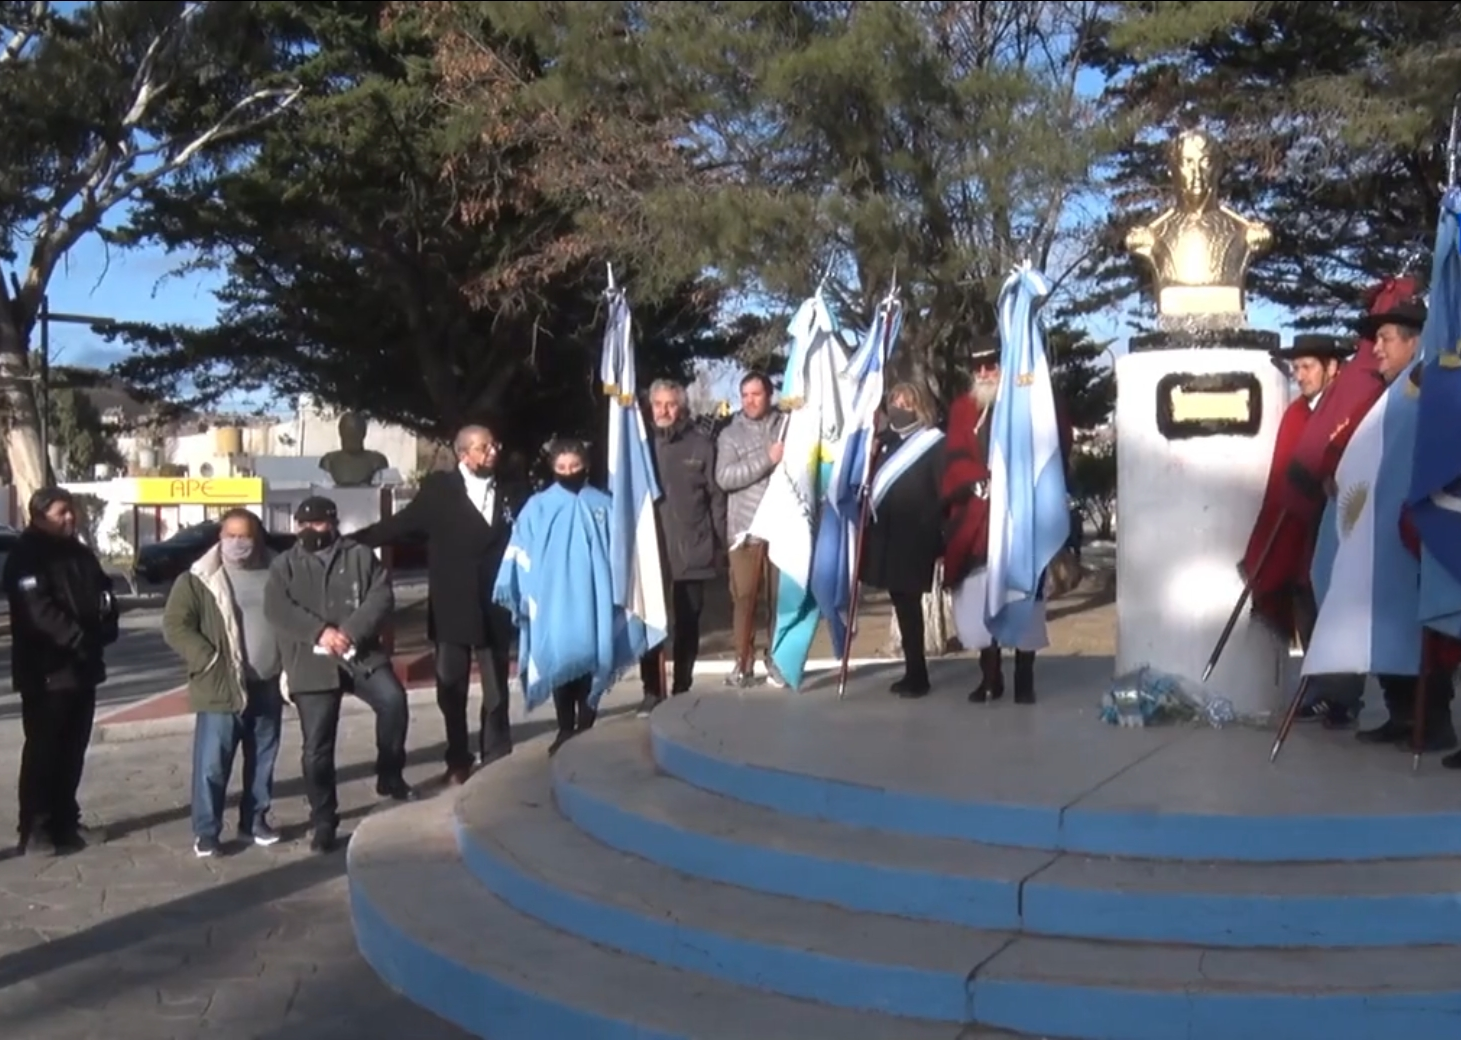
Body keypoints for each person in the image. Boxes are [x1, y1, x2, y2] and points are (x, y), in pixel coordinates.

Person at [355, 424, 528, 784]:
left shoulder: (514, 491)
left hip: (496, 604)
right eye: (483, 447)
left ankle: (496, 753)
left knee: (496, 689)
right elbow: (401, 525)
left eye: (495, 445)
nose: (493, 452)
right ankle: (458, 758)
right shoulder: (439, 490)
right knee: (452, 688)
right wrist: (350, 542)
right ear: (463, 454)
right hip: (452, 604)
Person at [267, 496, 414, 853]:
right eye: (302, 524)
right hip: (312, 660)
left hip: (358, 653)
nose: (308, 530)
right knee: (317, 746)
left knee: (393, 701)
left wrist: (349, 631)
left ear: (332, 523)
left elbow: (381, 596)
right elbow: (277, 607)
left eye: (316, 523)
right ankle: (324, 820)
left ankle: (390, 774)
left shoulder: (360, 556)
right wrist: (320, 632)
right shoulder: (284, 564)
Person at [494, 440, 644, 754]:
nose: (568, 473)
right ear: (552, 469)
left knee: (593, 658)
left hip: (595, 597)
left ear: (585, 466)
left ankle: (586, 726)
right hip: (553, 601)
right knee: (561, 661)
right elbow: (521, 550)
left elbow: (622, 553)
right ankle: (564, 728)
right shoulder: (537, 507)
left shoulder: (604, 504)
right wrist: (521, 591)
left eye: (573, 467)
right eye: (561, 468)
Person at [942, 337, 1067, 705]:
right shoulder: (963, 409)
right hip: (978, 520)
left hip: (1020, 521)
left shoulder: (1032, 401)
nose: (984, 373)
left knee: (1023, 597)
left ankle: (1024, 678)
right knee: (982, 599)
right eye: (977, 367)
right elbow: (954, 458)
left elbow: (1053, 446)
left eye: (991, 364)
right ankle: (990, 677)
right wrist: (975, 481)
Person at [162, 508, 285, 858]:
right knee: (213, 764)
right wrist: (207, 657)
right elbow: (175, 625)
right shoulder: (199, 579)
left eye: (244, 536)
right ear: (220, 538)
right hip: (220, 685)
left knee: (263, 758)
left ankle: (255, 821)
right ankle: (207, 831)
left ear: (256, 538)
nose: (237, 543)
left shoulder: (277, 571)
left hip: (267, 683)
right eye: (230, 535)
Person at [5, 487, 119, 855]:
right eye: (60, 513)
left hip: (83, 669)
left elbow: (105, 594)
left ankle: (66, 821)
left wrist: (105, 625)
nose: (69, 518)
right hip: (46, 670)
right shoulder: (26, 557)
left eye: (71, 512)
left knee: (73, 749)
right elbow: (36, 609)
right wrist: (77, 638)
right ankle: (35, 828)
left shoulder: (80, 553)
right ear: (38, 516)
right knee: (44, 750)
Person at [638, 379, 727, 714]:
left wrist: (721, 543)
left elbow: (716, 498)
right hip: (651, 549)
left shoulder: (701, 446)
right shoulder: (640, 447)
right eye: (658, 404)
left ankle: (682, 686)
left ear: (682, 407)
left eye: (670, 404)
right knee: (650, 623)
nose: (663, 410)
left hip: (693, 546)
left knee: (688, 622)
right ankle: (651, 689)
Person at [860, 382, 947, 698]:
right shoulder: (887, 444)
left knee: (910, 606)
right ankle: (912, 670)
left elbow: (944, 494)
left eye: (906, 403)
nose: (899, 408)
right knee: (901, 605)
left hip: (917, 537)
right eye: (894, 401)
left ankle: (918, 675)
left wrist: (943, 542)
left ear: (920, 407)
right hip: (890, 537)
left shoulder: (934, 443)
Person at [715, 371, 784, 687]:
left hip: (783, 529)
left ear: (769, 395)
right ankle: (743, 661)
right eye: (745, 395)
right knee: (744, 600)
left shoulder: (787, 426)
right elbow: (725, 478)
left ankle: (779, 659)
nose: (750, 401)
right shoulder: (730, 435)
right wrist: (767, 459)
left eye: (756, 394)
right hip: (746, 531)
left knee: (780, 599)